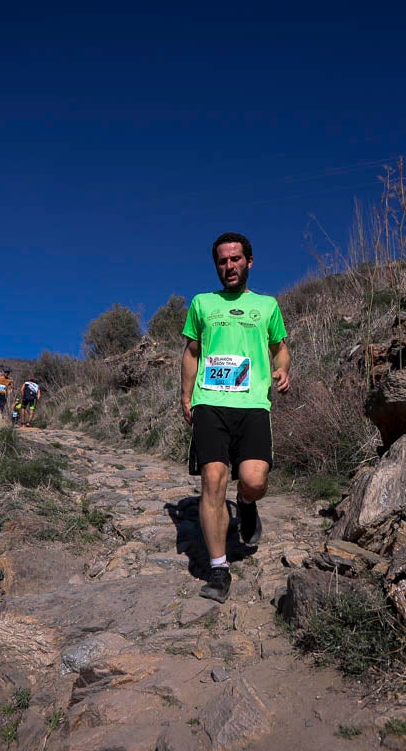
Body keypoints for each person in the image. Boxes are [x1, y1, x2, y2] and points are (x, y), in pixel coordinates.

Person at [180, 232, 291, 602]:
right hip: (210, 402)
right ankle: (218, 569)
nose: (229, 266)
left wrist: (283, 368)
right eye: (222, 261)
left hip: (253, 405)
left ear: (249, 262)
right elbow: (192, 352)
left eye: (235, 259)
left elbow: (280, 348)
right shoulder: (202, 304)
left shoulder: (267, 306)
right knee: (213, 480)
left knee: (254, 480)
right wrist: (186, 395)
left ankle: (245, 504)